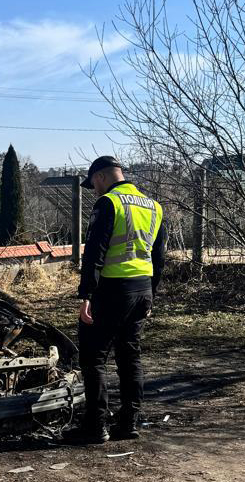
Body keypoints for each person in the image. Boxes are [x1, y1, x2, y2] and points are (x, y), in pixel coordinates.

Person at [65, 156, 167, 444]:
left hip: (112, 290)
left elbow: (94, 252)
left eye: (94, 183)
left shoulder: (108, 203)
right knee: (129, 356)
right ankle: (128, 423)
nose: (95, 190)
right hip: (142, 289)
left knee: (93, 357)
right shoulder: (154, 206)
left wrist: (86, 295)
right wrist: (151, 295)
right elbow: (159, 257)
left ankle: (96, 426)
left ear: (101, 177)